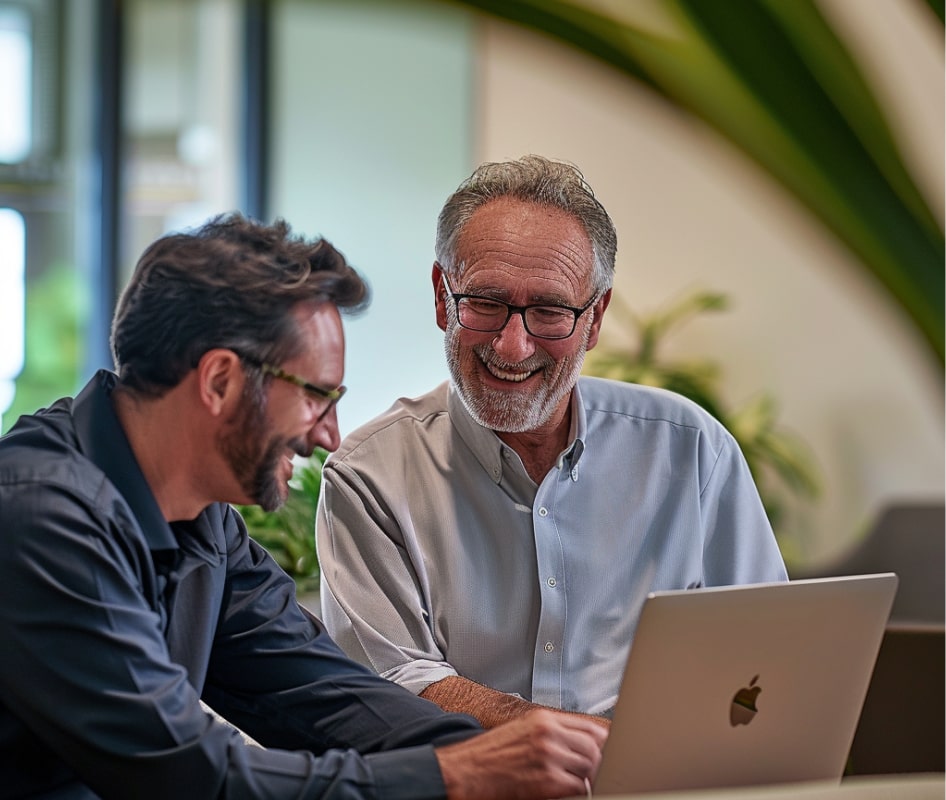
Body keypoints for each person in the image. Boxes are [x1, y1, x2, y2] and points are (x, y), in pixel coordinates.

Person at [0, 213, 607, 799]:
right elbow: (191, 777)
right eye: (318, 396)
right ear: (219, 382)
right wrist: (456, 777)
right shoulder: (40, 519)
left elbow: (323, 695)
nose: (330, 436)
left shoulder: (201, 517)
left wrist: (533, 768)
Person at [317, 155, 788, 729]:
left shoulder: (692, 453)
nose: (513, 347)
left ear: (595, 318)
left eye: (549, 311)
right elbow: (388, 681)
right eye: (486, 303)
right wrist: (577, 743)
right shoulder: (370, 477)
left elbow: (765, 655)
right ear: (443, 297)